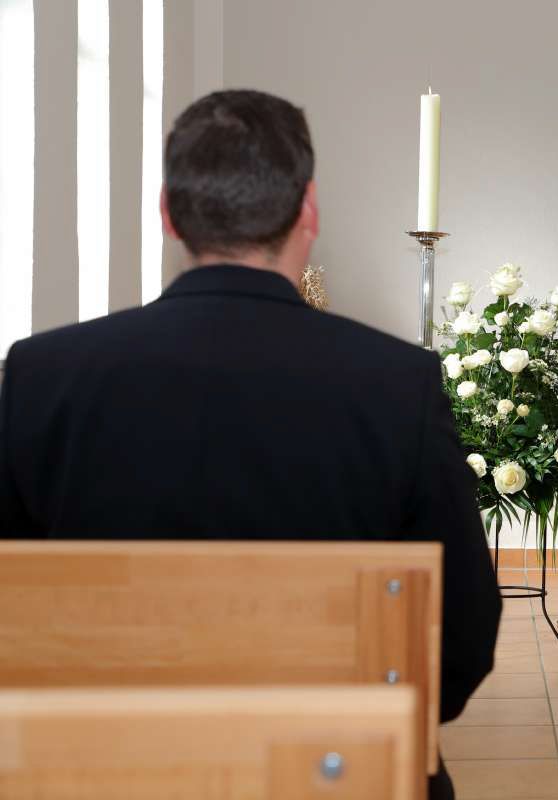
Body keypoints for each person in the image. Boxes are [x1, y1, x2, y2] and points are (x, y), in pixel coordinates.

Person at [0, 89, 499, 800]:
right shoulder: (396, 385)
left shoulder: (42, 375)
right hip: (340, 775)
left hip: (102, 776)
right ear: (309, 211)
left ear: (168, 214)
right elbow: (465, 634)